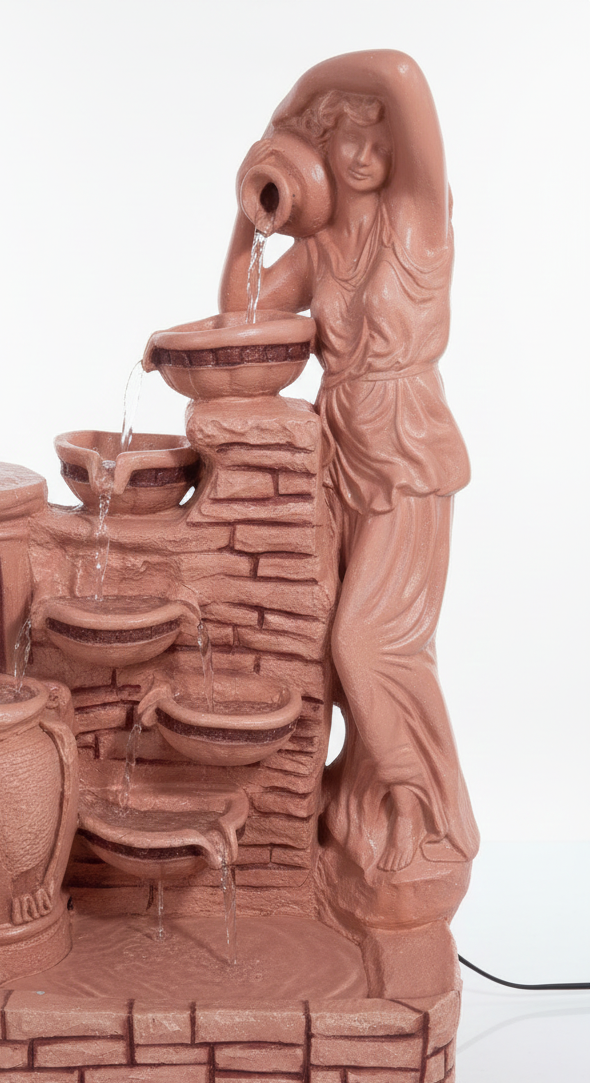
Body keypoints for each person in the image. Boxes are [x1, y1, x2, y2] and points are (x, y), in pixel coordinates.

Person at [220, 51, 479, 873]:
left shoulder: (419, 219)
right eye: (345, 140)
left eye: (378, 140)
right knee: (319, 641)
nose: (364, 155)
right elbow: (239, 314)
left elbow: (401, 74)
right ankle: (358, 807)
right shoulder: (321, 246)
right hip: (337, 464)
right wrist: (252, 208)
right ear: (324, 153)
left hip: (407, 458)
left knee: (368, 646)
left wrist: (296, 98)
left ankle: (418, 808)